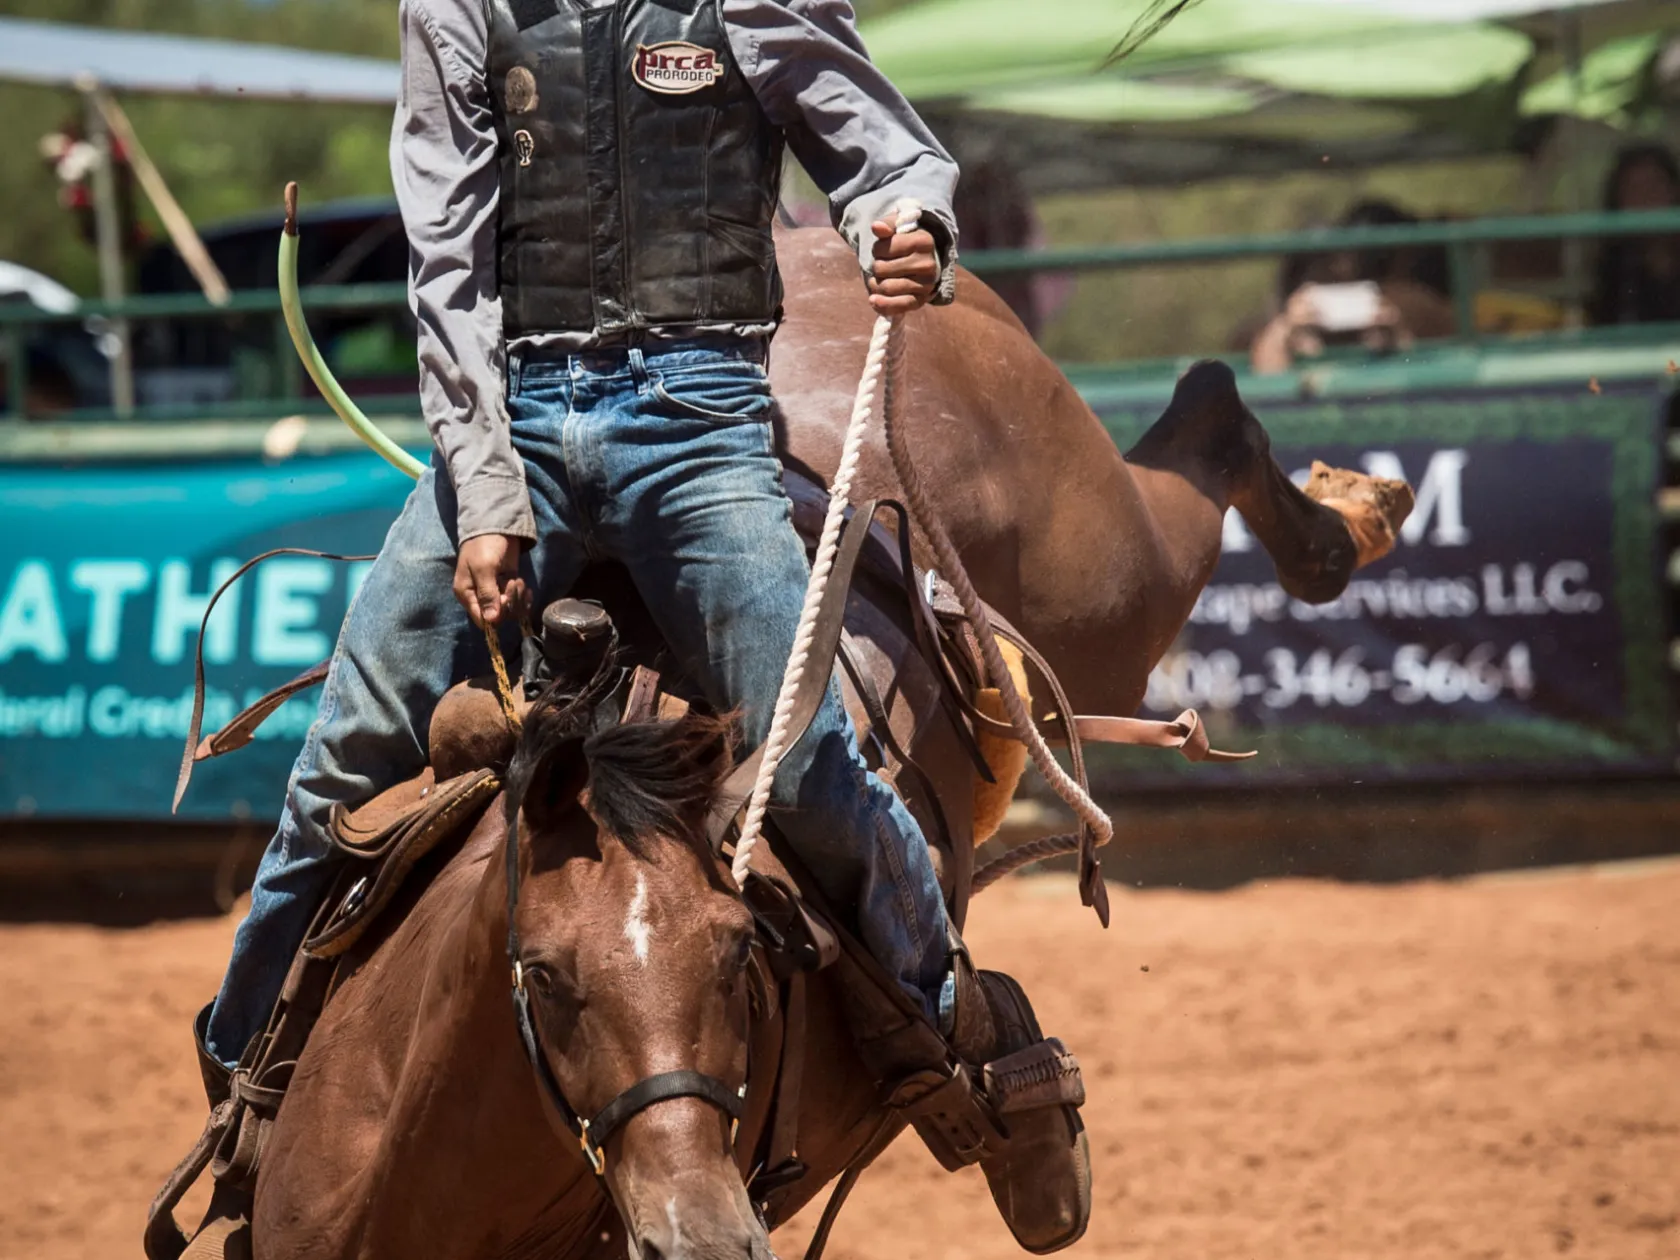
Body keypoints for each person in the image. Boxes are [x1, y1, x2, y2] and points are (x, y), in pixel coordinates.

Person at [186, 0, 1087, 1251]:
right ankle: (244, 1079)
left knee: (807, 758)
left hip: (704, 421)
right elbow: (445, 263)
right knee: (343, 759)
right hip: (512, 423)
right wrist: (489, 492)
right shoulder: (457, 10)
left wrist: (913, 224)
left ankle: (963, 1031)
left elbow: (887, 149)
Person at [1590, 143, 1680, 327]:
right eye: (1634, 189)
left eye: (1653, 186)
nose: (1645, 199)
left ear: (1674, 191)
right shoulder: (1615, 267)